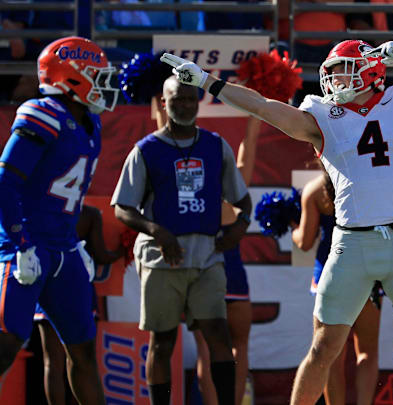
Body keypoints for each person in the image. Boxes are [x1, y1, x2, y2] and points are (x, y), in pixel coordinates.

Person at [161, 37, 393, 405]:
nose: (336, 80)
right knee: (323, 348)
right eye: (333, 72)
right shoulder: (324, 117)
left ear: (371, 71)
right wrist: (207, 82)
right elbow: (262, 107)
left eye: (344, 70)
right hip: (351, 245)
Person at [112, 75, 253, 405]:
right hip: (163, 257)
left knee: (218, 333)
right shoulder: (146, 150)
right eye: (178, 100)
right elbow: (122, 207)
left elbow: (242, 200)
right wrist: (157, 231)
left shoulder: (215, 146)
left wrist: (240, 226)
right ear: (164, 103)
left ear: (199, 101)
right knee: (162, 341)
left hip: (207, 255)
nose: (186, 105)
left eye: (191, 99)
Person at [0, 36, 118, 405]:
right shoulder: (44, 112)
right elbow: (5, 180)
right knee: (6, 341)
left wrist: (72, 239)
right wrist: (19, 241)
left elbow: (68, 193)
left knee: (82, 352)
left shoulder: (90, 124)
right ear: (71, 78)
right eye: (96, 75)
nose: (104, 84)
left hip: (63, 248)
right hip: (28, 245)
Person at [291, 169, 382, 405]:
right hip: (367, 273)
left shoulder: (314, 191)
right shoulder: (369, 189)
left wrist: (294, 229)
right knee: (367, 351)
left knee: (329, 356)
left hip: (330, 277)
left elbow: (304, 242)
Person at [194, 118, 260, 405]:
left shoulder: (188, 191)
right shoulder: (235, 188)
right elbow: (250, 146)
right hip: (231, 272)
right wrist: (256, 110)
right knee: (240, 346)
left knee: (206, 349)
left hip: (202, 271)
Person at [34, 203, 124, 405]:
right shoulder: (89, 213)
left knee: (52, 361)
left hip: (47, 285)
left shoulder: (42, 208)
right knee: (82, 360)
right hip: (76, 288)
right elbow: (100, 255)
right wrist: (122, 250)